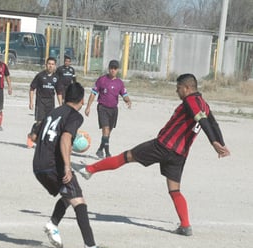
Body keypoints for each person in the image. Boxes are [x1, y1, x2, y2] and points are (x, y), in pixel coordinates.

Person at [78, 73, 231, 236]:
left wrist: (213, 143)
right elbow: (213, 123)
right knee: (174, 190)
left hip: (163, 146)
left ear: (187, 88)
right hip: (179, 154)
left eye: (178, 88)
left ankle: (90, 170)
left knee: (126, 157)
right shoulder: (204, 104)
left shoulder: (191, 101)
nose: (176, 92)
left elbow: (203, 120)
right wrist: (220, 142)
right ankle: (185, 225)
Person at [33, 82, 113, 248]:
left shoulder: (54, 112)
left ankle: (53, 224)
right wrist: (68, 166)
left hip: (38, 165)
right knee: (79, 201)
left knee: (68, 193)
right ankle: (90, 246)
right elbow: (65, 138)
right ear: (82, 100)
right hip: (53, 165)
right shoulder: (75, 116)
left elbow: (35, 135)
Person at [85, 60, 132, 159]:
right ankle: (107, 153)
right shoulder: (102, 80)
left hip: (113, 109)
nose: (113, 70)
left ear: (117, 70)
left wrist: (127, 100)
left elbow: (124, 94)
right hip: (103, 108)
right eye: (111, 68)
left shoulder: (119, 83)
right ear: (109, 68)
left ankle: (100, 150)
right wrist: (88, 107)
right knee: (105, 130)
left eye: (115, 68)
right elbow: (93, 93)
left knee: (108, 133)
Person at [27, 57, 60, 148]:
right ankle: (31, 135)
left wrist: (61, 105)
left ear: (55, 66)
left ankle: (41, 141)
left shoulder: (56, 78)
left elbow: (59, 92)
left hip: (50, 103)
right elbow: (32, 88)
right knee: (40, 122)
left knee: (48, 123)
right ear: (46, 65)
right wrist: (31, 102)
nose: (50, 66)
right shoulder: (40, 76)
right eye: (49, 64)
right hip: (40, 102)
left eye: (52, 64)